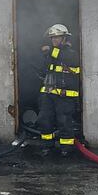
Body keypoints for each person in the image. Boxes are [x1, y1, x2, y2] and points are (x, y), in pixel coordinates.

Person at [36, 23, 81, 155]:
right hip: (48, 93)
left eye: (57, 38)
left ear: (64, 38)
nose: (54, 40)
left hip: (65, 95)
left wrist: (49, 50)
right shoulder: (50, 54)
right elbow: (44, 68)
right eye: (52, 38)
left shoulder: (71, 54)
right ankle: (47, 145)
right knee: (44, 119)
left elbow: (63, 57)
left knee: (64, 121)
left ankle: (66, 148)